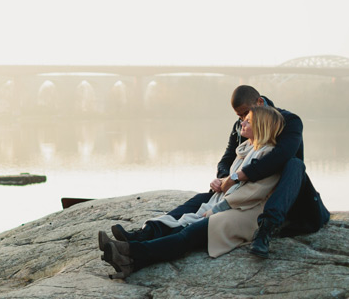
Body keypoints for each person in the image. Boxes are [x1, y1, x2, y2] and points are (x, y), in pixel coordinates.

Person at [111, 85, 330, 258]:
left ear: (259, 103)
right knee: (196, 201)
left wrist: (234, 179)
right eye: (240, 116)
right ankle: (143, 234)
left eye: (246, 115)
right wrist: (222, 178)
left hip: (280, 195)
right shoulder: (243, 125)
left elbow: (280, 157)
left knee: (294, 164)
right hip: (242, 189)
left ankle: (266, 229)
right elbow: (228, 157)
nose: (241, 120)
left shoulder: (289, 122)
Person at [100, 105, 285, 278]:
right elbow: (236, 180)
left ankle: (129, 250)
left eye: (248, 121)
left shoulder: (269, 155)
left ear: (261, 127)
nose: (242, 123)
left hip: (244, 214)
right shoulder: (246, 150)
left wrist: (216, 209)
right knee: (185, 220)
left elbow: (253, 193)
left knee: (188, 234)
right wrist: (221, 182)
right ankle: (130, 261)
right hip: (231, 204)